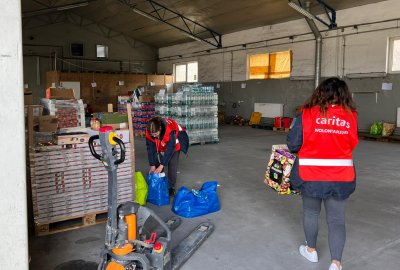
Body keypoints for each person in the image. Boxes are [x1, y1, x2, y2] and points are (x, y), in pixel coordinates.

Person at [287, 77, 358, 270]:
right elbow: (352, 143)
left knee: (311, 212)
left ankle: (311, 251)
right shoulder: (351, 115)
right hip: (341, 176)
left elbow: (293, 144)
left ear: (320, 93)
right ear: (344, 95)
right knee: (336, 219)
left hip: (311, 175)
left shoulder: (307, 114)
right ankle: (336, 263)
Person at [145, 117, 189, 196]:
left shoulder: (169, 130)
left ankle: (171, 187)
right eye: (152, 135)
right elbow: (150, 149)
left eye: (155, 134)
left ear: (160, 128)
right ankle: (159, 180)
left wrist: (161, 166)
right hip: (163, 141)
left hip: (176, 142)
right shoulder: (149, 132)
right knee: (155, 158)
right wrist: (152, 165)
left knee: (172, 163)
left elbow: (170, 149)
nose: (154, 136)